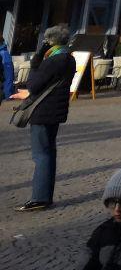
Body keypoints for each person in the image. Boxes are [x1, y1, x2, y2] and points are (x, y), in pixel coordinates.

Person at [9, 24, 76, 212]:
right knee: (48, 153)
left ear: (50, 41)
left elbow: (34, 83)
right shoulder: (68, 58)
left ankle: (39, 197)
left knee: (41, 155)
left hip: (43, 110)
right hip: (56, 111)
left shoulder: (54, 60)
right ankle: (44, 196)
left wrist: (37, 58)